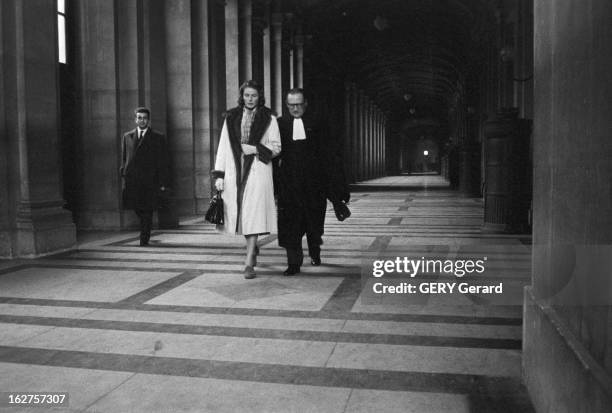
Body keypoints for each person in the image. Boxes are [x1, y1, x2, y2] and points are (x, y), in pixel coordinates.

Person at [275, 88, 350, 276]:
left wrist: (337, 188)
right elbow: (275, 155)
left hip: (315, 184)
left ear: (305, 104)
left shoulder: (319, 123)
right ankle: (294, 263)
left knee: (314, 223)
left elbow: (330, 155)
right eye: (291, 105)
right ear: (286, 105)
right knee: (290, 224)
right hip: (290, 183)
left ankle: (314, 248)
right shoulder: (280, 124)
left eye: (298, 104)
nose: (295, 108)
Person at [212, 80, 281, 279]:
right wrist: (219, 174)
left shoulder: (269, 118)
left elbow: (277, 148)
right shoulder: (231, 116)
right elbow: (223, 146)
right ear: (242, 96)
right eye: (247, 95)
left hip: (259, 170)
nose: (250, 99)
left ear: (260, 97)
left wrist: (257, 149)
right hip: (235, 169)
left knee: (254, 213)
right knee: (242, 214)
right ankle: (252, 247)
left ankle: (249, 259)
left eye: (254, 95)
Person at [120, 107, 170, 246]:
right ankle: (145, 232)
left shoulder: (158, 137)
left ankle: (144, 238)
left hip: (150, 181)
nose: (142, 120)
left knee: (147, 210)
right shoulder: (127, 136)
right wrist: (123, 173)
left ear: (148, 120)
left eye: (145, 118)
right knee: (137, 208)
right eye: (139, 117)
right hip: (132, 180)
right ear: (135, 119)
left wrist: (162, 182)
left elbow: (163, 160)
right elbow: (124, 158)